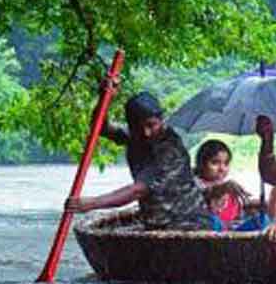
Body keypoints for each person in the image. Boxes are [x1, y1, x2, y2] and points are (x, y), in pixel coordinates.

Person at [65, 89, 216, 230]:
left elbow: (138, 190)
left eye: (151, 125)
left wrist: (93, 203)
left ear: (161, 120)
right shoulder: (135, 136)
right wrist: (106, 97)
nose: (146, 133)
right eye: (138, 127)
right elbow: (101, 127)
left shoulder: (170, 148)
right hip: (156, 222)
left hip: (189, 222)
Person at [194, 139, 252, 227]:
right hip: (207, 235)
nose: (222, 169)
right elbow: (207, 193)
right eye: (215, 163)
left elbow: (239, 218)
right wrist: (223, 188)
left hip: (234, 236)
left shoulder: (231, 189)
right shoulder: (192, 184)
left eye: (226, 163)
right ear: (201, 164)